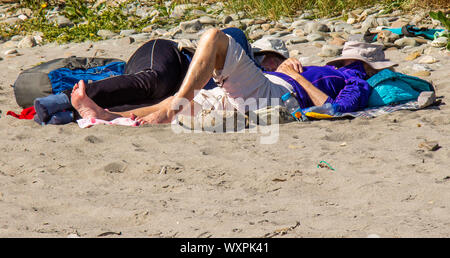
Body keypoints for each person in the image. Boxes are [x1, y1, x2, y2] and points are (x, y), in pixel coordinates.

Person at [70, 29, 396, 124]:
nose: (345, 66)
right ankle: (105, 115)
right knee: (172, 100)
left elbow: (336, 109)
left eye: (352, 63)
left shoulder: (355, 81)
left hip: (276, 97)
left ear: (363, 68)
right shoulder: (318, 69)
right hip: (255, 93)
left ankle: (167, 112)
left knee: (215, 38)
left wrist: (290, 74)